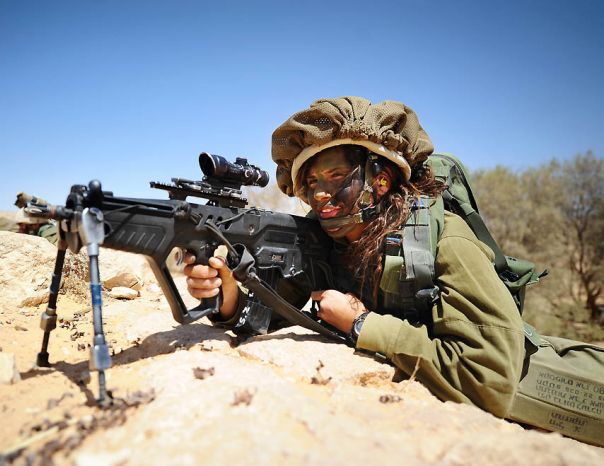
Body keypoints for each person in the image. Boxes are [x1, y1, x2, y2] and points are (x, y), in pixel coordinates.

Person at [183, 96, 525, 419]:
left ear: (380, 181)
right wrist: (226, 295)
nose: (319, 192)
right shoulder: (326, 242)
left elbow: (490, 381)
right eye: (312, 180)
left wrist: (361, 324)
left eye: (335, 176)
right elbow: (269, 315)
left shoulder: (447, 240)